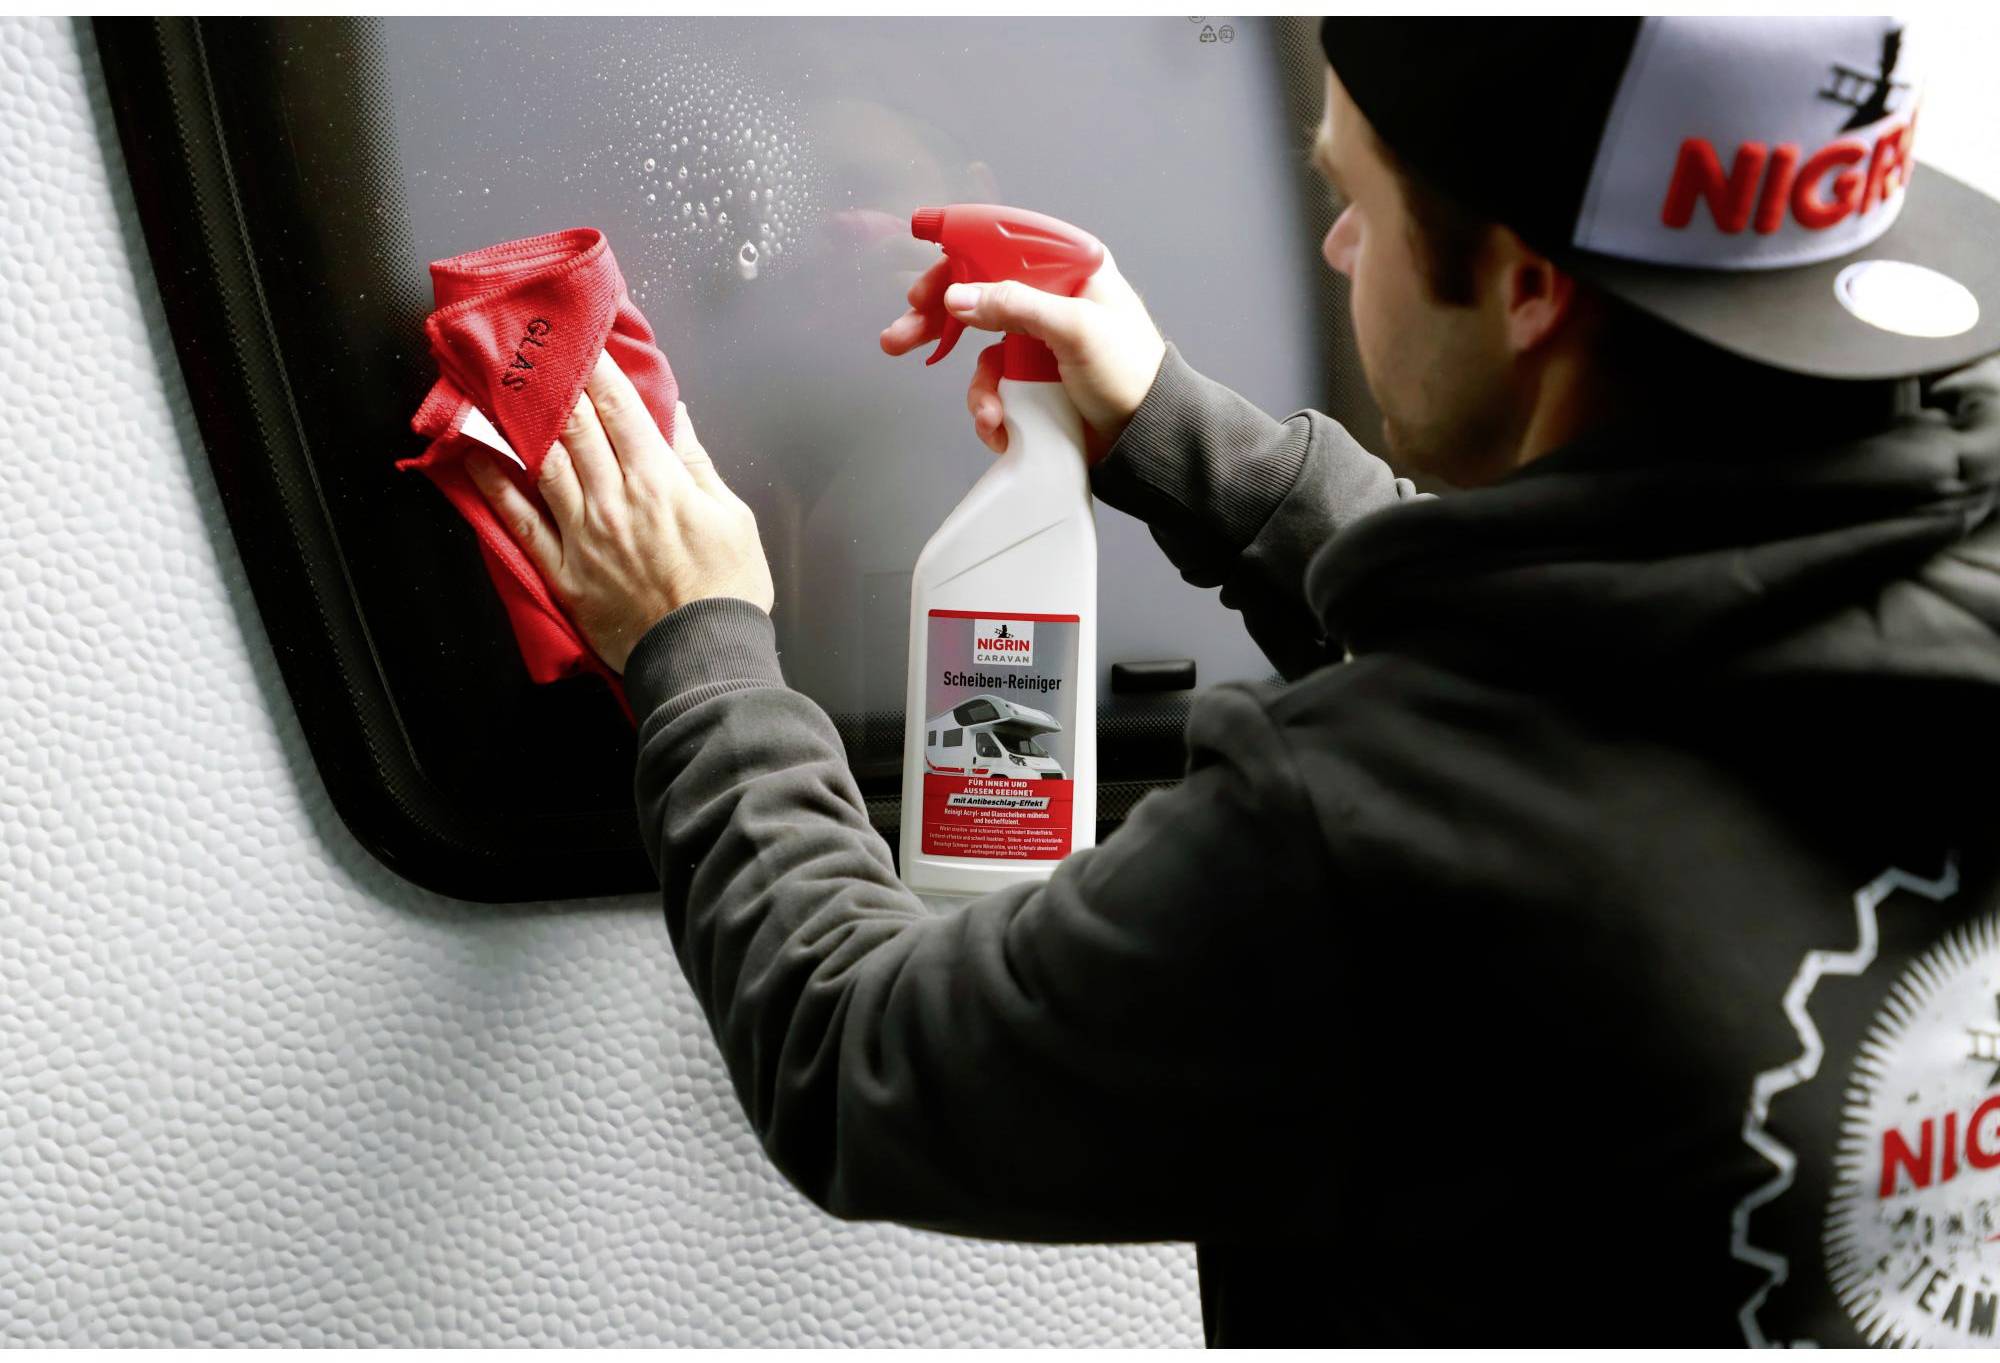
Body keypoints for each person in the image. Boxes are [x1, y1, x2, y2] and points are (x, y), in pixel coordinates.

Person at [465, 17, 2000, 1346]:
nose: (1335, 248)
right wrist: (1184, 438)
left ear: (1530, 289)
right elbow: (1628, 648)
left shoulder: (1361, 832)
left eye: (1355, 202)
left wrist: (700, 639)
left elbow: (856, 1057)